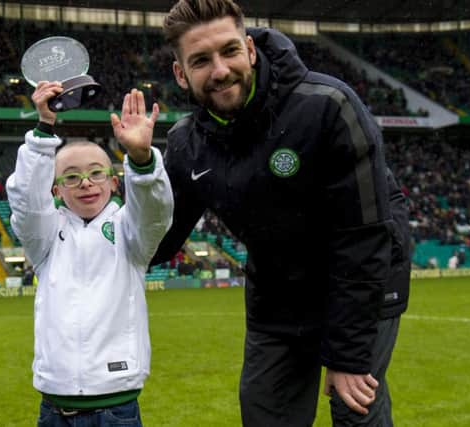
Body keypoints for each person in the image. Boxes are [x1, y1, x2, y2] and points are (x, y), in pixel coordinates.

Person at [151, 1, 410, 426]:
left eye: (229, 51)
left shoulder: (328, 106)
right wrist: (134, 179)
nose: (219, 70)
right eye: (200, 60)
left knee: (355, 411)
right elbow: (158, 238)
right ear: (180, 74)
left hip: (365, 276)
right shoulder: (186, 143)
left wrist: (347, 356)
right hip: (278, 291)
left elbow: (364, 237)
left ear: (250, 50)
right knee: (266, 415)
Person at [6, 82, 173, 427]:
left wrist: (141, 159)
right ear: (56, 190)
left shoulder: (131, 233)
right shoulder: (44, 239)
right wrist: (43, 129)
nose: (86, 183)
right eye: (72, 177)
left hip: (117, 410)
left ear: (114, 182)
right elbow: (26, 204)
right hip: (53, 408)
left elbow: (154, 213)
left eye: (97, 173)